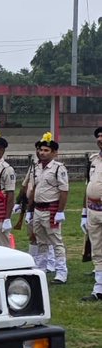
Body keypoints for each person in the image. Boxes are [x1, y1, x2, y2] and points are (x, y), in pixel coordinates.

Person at [25, 135, 69, 283]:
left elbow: (64, 190)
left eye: (46, 150)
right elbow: (34, 189)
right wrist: (30, 210)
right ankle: (41, 269)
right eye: (41, 150)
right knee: (41, 241)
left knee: (56, 242)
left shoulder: (58, 168)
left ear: (54, 153)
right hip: (38, 209)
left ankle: (61, 272)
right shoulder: (36, 167)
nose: (42, 153)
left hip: (51, 209)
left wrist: (60, 212)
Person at [81, 125, 102, 301]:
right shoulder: (94, 159)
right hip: (93, 210)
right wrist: (83, 213)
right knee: (97, 249)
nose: (100, 139)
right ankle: (99, 288)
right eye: (98, 136)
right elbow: (88, 186)